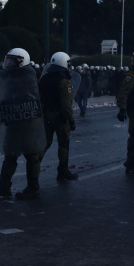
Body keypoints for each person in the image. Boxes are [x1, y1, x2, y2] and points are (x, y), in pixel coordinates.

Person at [0, 48, 45, 200]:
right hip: (14, 120)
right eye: (8, 59)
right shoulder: (10, 77)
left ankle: (33, 187)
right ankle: (4, 186)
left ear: (21, 61)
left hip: (28, 121)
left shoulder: (29, 77)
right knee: (10, 153)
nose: (9, 63)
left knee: (31, 153)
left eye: (13, 60)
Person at [38, 52, 79, 182]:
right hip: (60, 116)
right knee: (63, 143)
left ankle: (33, 166)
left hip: (46, 115)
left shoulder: (44, 79)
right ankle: (63, 171)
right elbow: (66, 105)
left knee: (44, 143)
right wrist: (71, 120)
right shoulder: (64, 82)